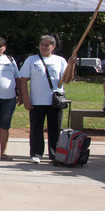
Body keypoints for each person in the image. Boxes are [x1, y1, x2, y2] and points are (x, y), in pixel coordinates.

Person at [19, 34, 73, 164]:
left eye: (47, 45)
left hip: (55, 101)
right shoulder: (32, 60)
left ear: (53, 46)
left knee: (55, 129)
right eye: (42, 44)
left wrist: (71, 65)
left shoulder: (60, 61)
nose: (44, 47)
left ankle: (54, 154)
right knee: (36, 128)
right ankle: (36, 153)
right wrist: (26, 98)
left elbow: (67, 80)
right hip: (37, 101)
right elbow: (23, 80)